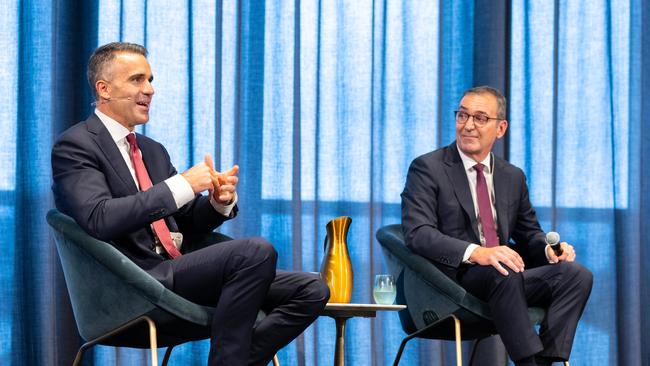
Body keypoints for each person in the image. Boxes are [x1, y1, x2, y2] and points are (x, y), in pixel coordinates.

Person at [51, 42, 329, 366]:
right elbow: (99, 218)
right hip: (132, 283)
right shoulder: (76, 145)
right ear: (104, 89)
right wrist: (182, 184)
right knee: (255, 252)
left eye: (151, 80)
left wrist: (216, 202)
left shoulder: (152, 150)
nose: (150, 90)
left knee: (312, 289)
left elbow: (182, 221)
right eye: (137, 80)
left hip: (177, 272)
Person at [401, 86, 593, 366]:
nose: (468, 125)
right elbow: (418, 234)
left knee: (576, 275)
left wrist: (549, 251)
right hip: (452, 280)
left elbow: (529, 234)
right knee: (500, 269)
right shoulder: (428, 168)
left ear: (500, 128)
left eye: (479, 118)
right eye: (462, 115)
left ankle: (545, 361)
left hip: (503, 280)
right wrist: (478, 253)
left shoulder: (512, 177)